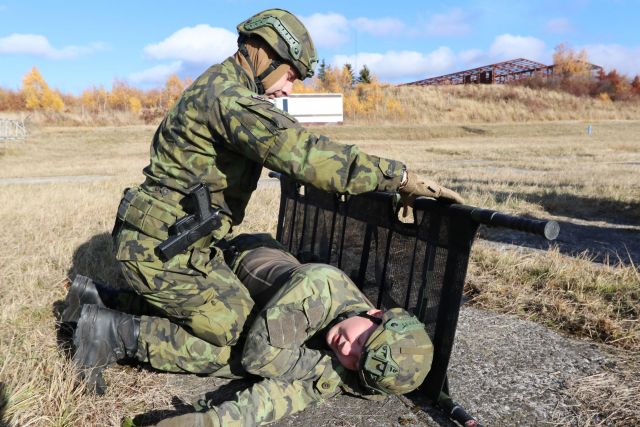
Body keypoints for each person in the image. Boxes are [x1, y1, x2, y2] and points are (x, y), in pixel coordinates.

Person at [69, 233, 434, 426]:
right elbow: (259, 358)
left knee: (255, 340)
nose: (347, 350)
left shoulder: (356, 352)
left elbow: (286, 394)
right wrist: (322, 369)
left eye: (358, 362)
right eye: (363, 342)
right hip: (233, 260)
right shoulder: (320, 290)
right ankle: (115, 334)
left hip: (260, 297)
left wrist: (215, 422)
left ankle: (98, 297)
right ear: (375, 313)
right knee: (232, 347)